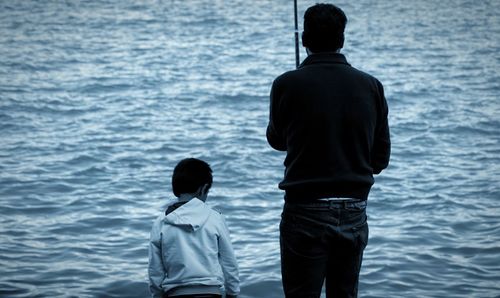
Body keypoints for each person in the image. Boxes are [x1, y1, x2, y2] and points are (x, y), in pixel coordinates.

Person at [266, 3, 391, 298]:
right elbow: (380, 159)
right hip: (354, 209)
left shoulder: (286, 83)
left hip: (304, 209)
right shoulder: (371, 85)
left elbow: (276, 139)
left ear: (304, 40)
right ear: (342, 40)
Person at [148, 158, 240, 298]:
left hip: (175, 294)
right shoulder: (215, 218)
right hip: (211, 294)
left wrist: (158, 295)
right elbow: (229, 263)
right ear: (203, 189)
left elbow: (155, 270)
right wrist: (232, 293)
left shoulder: (161, 222)